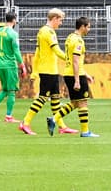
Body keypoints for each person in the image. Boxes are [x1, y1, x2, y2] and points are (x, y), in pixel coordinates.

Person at [19, 8, 76, 136]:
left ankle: (61, 126)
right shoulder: (48, 32)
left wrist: (34, 71)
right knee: (42, 98)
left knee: (55, 99)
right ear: (54, 18)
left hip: (50, 70)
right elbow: (56, 50)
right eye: (60, 20)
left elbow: (38, 53)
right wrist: (70, 59)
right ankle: (25, 122)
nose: (60, 23)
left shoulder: (42, 31)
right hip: (48, 71)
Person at [55, 16, 97, 137]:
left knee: (75, 103)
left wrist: (86, 74)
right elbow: (75, 60)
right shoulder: (78, 41)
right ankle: (85, 131)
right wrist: (78, 80)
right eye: (88, 27)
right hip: (75, 75)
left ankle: (54, 119)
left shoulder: (70, 37)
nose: (89, 29)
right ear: (82, 26)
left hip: (68, 73)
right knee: (83, 102)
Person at [0, 11, 26, 123]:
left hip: (0, 64)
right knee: (12, 91)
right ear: (14, 20)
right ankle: (9, 116)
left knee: (5, 88)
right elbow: (16, 51)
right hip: (10, 65)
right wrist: (22, 65)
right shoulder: (13, 34)